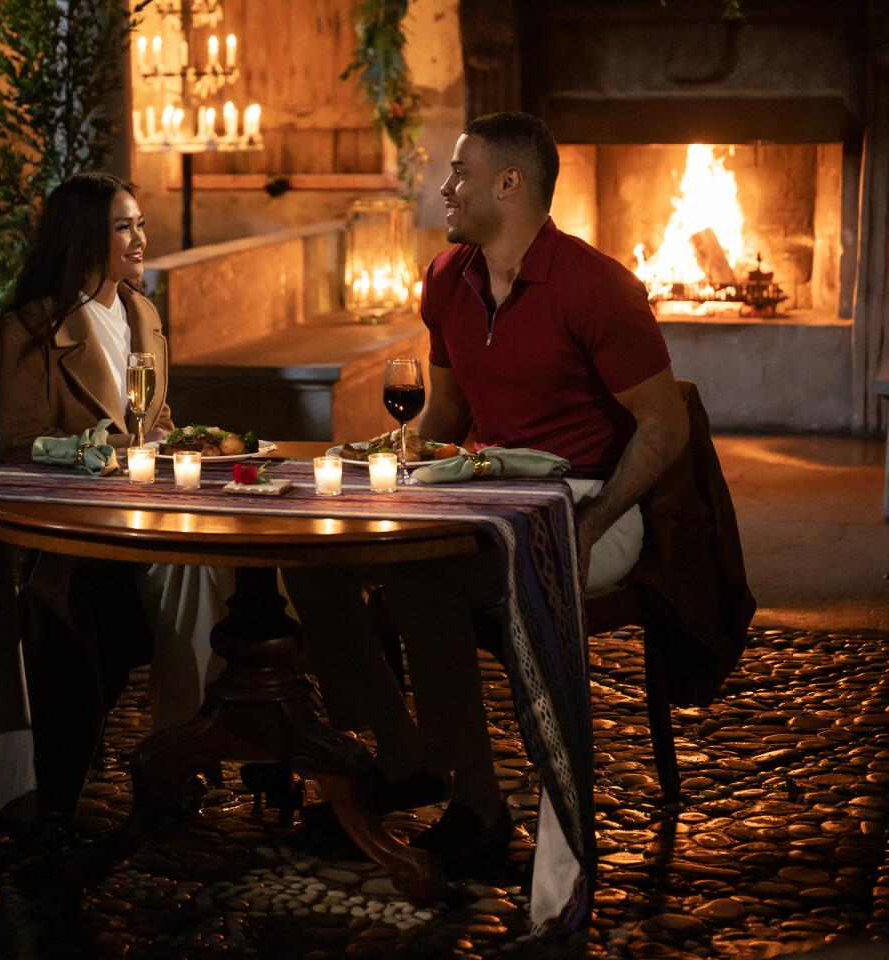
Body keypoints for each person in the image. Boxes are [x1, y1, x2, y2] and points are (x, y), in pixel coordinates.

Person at [284, 111, 689, 871]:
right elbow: (444, 414)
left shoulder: (598, 288)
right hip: (484, 494)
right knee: (313, 558)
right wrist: (387, 462)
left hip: (589, 500)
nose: (445, 187)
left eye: (460, 173)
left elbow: (666, 428)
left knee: (426, 575)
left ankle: (479, 808)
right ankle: (404, 759)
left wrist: (593, 523)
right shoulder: (445, 280)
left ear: (510, 184)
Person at [0, 172, 229, 809]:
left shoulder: (142, 314)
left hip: (149, 515)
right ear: (85, 238)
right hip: (76, 536)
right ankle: (183, 749)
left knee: (210, 565)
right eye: (124, 227)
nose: (140, 238)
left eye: (139, 224)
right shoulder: (31, 329)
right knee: (193, 570)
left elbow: (160, 423)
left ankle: (178, 748)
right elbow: (19, 445)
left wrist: (192, 443)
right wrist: (125, 454)